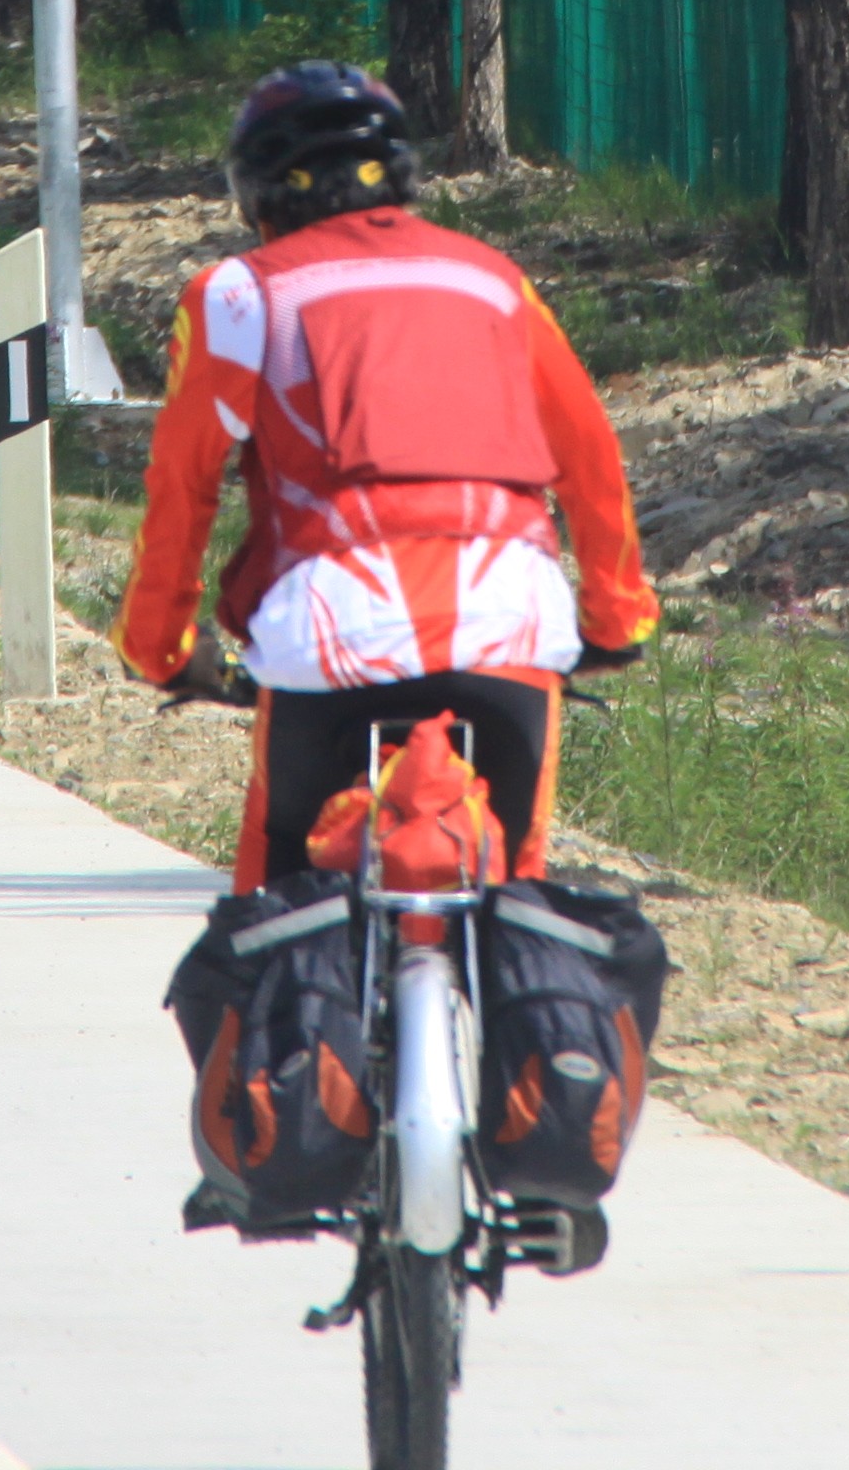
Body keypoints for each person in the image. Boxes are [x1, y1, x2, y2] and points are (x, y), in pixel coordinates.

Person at [114, 63, 657, 895]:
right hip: (509, 614)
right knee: (520, 894)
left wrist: (162, 647)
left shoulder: (238, 294)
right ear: (402, 172)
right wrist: (616, 619)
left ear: (256, 193)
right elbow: (590, 456)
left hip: (331, 625)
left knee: (270, 908)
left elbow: (181, 484)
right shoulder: (493, 279)